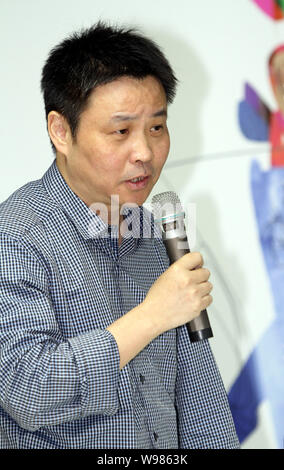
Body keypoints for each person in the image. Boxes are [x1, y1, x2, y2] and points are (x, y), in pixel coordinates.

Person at [0, 21, 239, 449]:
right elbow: (29, 391)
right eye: (121, 131)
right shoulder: (17, 237)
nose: (145, 153)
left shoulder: (157, 236)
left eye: (156, 128)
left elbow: (201, 401)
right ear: (61, 131)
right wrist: (152, 316)